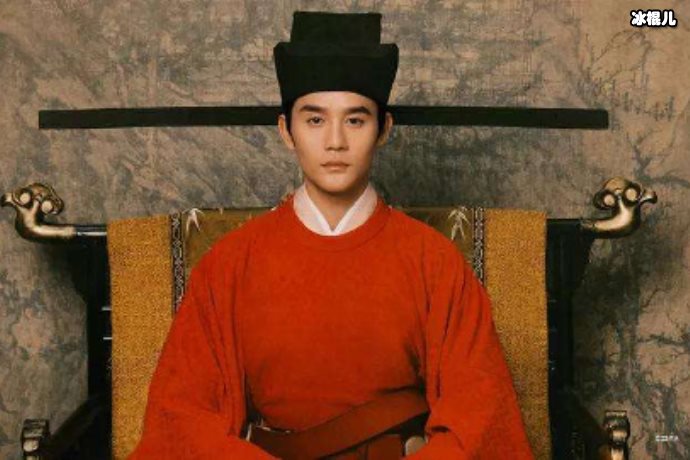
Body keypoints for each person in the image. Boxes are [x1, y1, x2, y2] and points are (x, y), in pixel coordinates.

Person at [129, 11, 533, 459]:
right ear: (286, 131)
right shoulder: (230, 263)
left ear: (384, 129)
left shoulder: (434, 262)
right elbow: (181, 419)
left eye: (355, 121)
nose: (335, 141)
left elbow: (478, 420)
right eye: (315, 121)